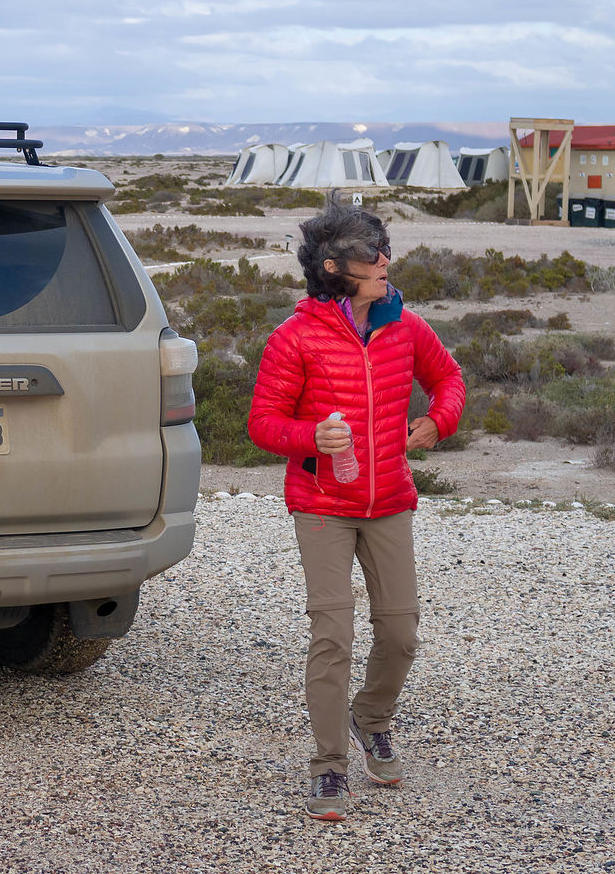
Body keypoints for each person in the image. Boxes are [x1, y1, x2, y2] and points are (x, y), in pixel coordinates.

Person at [247, 200, 465, 822]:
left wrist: (439, 421)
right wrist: (311, 436)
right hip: (322, 504)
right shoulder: (295, 337)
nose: (385, 262)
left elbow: (450, 380)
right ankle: (329, 767)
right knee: (333, 634)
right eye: (371, 256)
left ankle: (371, 718)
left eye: (384, 250)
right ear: (334, 267)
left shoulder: (406, 326)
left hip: (389, 499)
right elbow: (263, 423)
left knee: (400, 632)